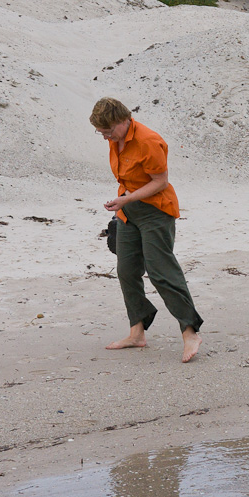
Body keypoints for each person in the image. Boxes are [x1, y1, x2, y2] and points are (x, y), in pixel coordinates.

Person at [90, 97, 203, 362]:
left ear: (123, 120)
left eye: (108, 130)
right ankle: (137, 333)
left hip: (156, 212)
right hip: (129, 212)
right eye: (101, 132)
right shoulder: (113, 139)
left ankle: (190, 331)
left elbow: (161, 182)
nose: (105, 136)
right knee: (126, 270)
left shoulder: (148, 141)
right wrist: (123, 204)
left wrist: (126, 199)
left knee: (161, 271)